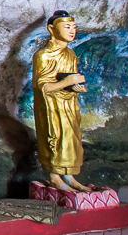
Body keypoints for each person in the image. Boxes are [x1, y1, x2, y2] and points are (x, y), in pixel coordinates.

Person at [33, 10, 89, 192]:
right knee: (54, 138)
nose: (72, 31)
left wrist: (76, 86)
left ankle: (69, 176)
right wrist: (67, 82)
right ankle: (54, 177)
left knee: (71, 138)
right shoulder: (43, 56)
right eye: (67, 27)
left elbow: (70, 79)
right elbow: (42, 86)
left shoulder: (70, 54)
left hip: (69, 104)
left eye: (73, 27)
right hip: (51, 107)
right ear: (51, 29)